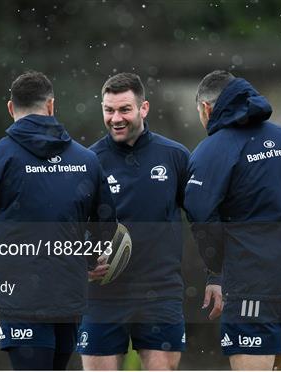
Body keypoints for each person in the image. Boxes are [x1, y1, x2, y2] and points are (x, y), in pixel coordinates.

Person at [0, 71, 117, 370]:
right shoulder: (86, 159)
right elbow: (106, 222)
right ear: (52, 106)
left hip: (21, 298)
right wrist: (90, 260)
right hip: (69, 296)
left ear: (10, 107)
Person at [185, 70, 281, 370]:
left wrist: (215, 271)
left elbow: (200, 215)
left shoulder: (211, 150)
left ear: (206, 108)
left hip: (252, 281)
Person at [77, 73, 190, 370]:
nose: (116, 118)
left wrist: (218, 275)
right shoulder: (87, 162)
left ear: (144, 108)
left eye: (124, 109)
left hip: (159, 292)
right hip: (102, 295)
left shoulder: (175, 157)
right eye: (109, 110)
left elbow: (205, 219)